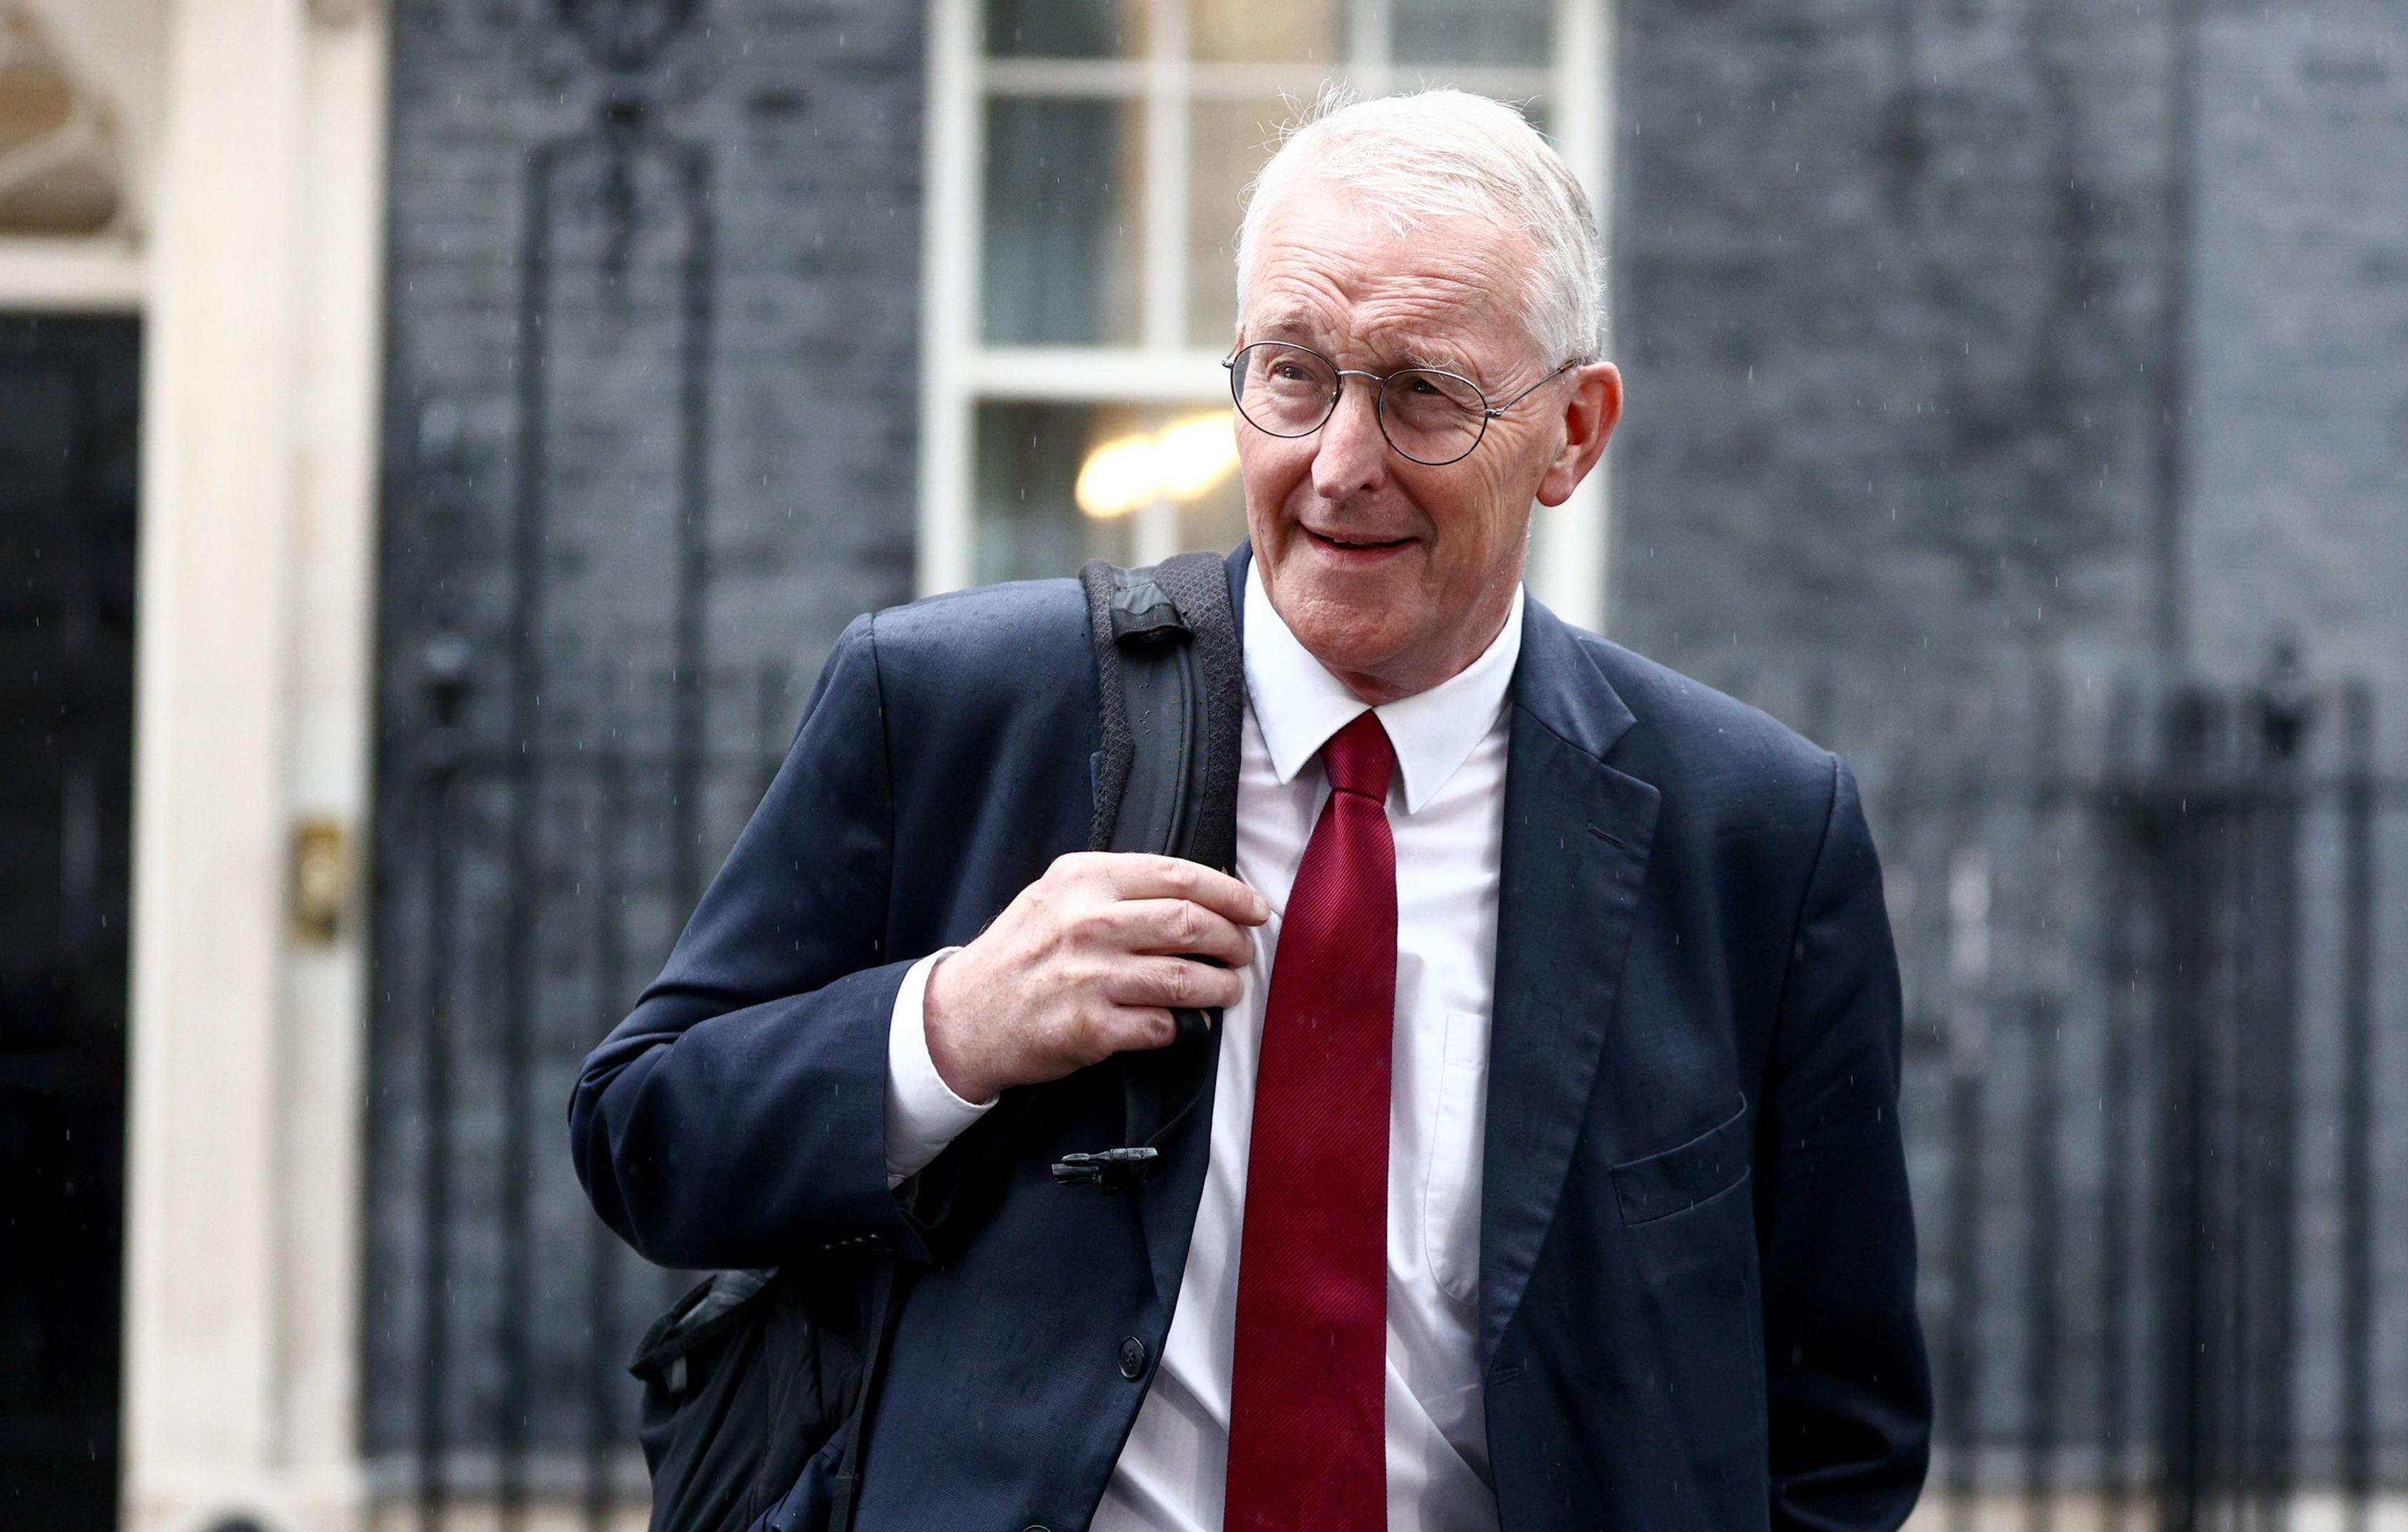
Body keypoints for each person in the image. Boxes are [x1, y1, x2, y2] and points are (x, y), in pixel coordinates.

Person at [571, 88, 1929, 1532]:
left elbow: (1838, 1430)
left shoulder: (1754, 836)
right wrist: (951, 1025)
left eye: (1424, 393)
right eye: (1294, 375)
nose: (1341, 462)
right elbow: (645, 1139)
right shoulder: (953, 705)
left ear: (1575, 433)